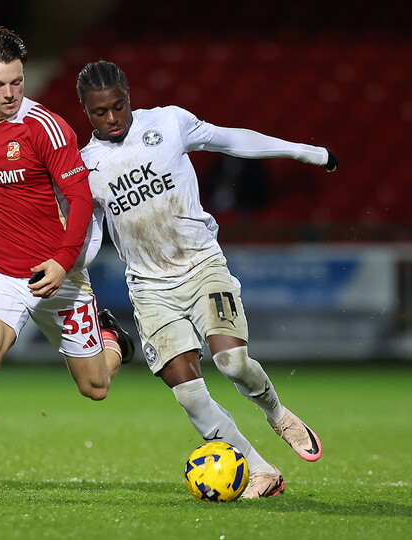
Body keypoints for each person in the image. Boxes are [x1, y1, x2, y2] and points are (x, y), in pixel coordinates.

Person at [76, 61, 336, 499]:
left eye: (119, 106)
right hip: (150, 288)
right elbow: (90, 237)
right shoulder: (86, 165)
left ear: (129, 96)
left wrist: (303, 151)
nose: (113, 118)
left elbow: (231, 139)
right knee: (189, 392)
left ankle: (277, 413)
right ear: (86, 112)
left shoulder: (168, 123)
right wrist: (65, 269)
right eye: (100, 112)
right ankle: (258, 469)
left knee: (232, 363)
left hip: (202, 267)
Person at [0, 29, 134, 500]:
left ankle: (114, 338)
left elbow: (78, 198)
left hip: (59, 275)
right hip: (0, 271)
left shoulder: (47, 128)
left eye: (17, 82)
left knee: (95, 387)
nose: (11, 94)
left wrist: (62, 261)